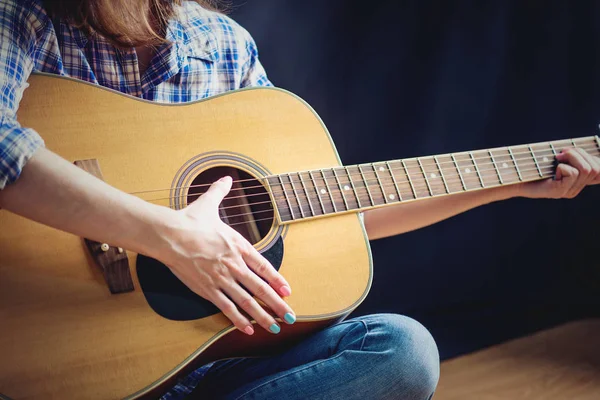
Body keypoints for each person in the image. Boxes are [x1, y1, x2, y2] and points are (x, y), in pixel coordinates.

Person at [0, 0, 598, 399]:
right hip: (58, 363)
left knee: (402, 350)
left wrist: (513, 180)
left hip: (209, 368)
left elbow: (332, 211)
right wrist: (170, 234)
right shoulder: (24, 16)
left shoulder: (223, 45)